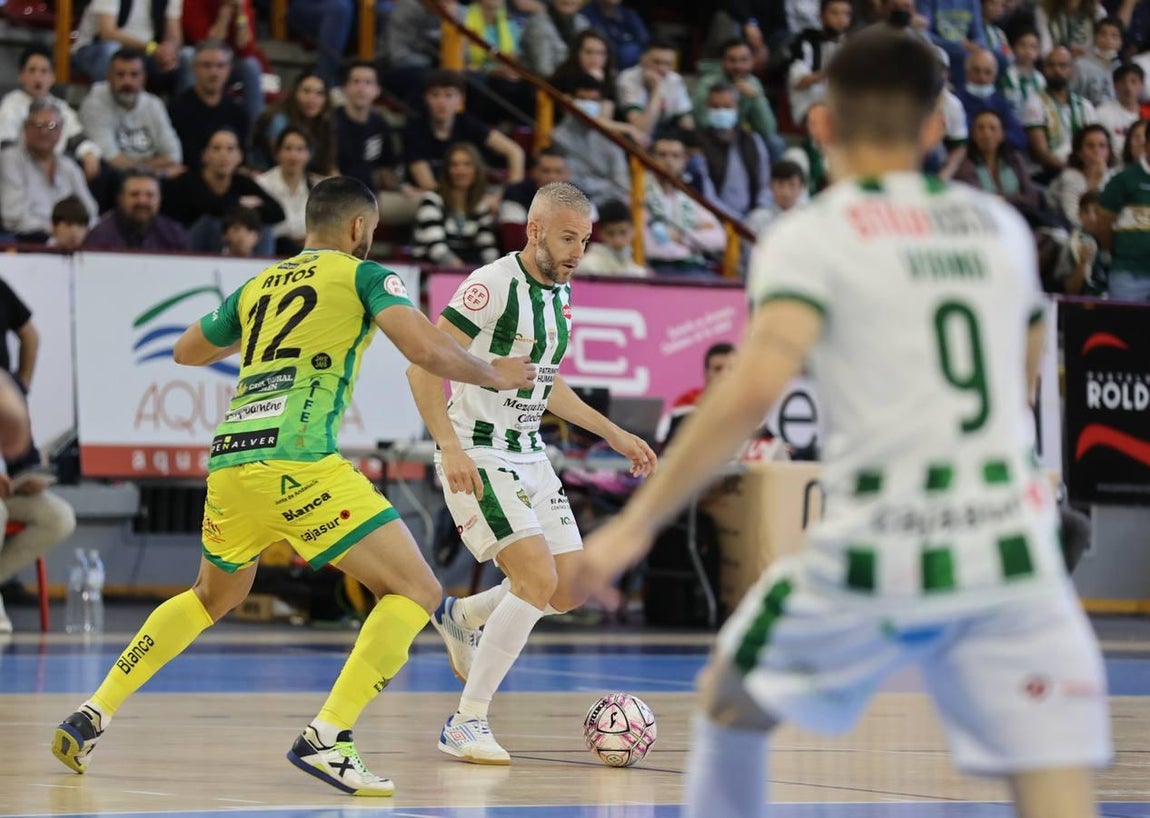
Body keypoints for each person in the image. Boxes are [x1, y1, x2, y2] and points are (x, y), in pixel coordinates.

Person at [579, 29, 1110, 818]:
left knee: (730, 702)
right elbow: (1028, 364)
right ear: (937, 129)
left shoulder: (814, 235)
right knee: (1052, 786)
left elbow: (751, 389)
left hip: (882, 541)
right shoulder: (999, 228)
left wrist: (633, 528)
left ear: (820, 124)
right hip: (1008, 540)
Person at [51, 175, 537, 794]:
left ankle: (93, 711)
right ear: (360, 228)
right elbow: (428, 350)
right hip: (299, 458)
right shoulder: (366, 276)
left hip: (231, 460)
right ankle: (328, 737)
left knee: (210, 596)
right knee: (416, 590)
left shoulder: (261, 284)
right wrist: (495, 373)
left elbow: (185, 350)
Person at [408, 181, 656, 764]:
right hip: (478, 448)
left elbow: (547, 383)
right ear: (535, 230)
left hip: (529, 452)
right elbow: (423, 368)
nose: (577, 251)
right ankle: (466, 721)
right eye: (568, 237)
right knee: (536, 580)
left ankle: (465, 614)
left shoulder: (560, 296)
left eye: (585, 240)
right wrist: (450, 447)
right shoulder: (489, 286)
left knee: (569, 588)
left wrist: (613, 433)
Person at [162, 128, 284, 254]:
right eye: (216, 148)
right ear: (205, 155)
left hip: (236, 244)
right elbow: (210, 207)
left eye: (230, 149)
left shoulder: (241, 182)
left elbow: (277, 213)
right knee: (213, 223)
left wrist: (246, 215)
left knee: (263, 227)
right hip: (184, 244)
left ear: (239, 156)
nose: (224, 155)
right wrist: (239, 203)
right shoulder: (189, 180)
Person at [78, 48, 185, 178]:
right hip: (115, 179)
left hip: (152, 180)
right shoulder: (94, 104)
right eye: (120, 74)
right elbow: (111, 160)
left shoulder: (153, 104)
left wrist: (140, 167)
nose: (127, 81)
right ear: (109, 76)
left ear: (144, 78)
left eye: (134, 75)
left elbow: (174, 156)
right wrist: (159, 171)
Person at [0, 101, 98, 243]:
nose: (44, 132)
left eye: (52, 126)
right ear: (25, 128)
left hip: (72, 240)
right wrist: (57, 231)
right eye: (37, 125)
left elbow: (91, 212)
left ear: (61, 131)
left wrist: (75, 231)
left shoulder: (68, 166)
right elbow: (13, 217)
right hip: (26, 241)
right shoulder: (10, 159)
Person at [0, 46, 102, 182]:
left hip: (58, 167)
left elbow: (78, 138)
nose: (38, 77)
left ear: (52, 77)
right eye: (32, 70)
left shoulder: (61, 107)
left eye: (44, 71)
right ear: (21, 75)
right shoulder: (11, 104)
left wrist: (89, 153)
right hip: (23, 168)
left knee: (101, 170)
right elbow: (6, 145)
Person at [167, 40, 250, 172]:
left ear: (229, 70)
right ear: (194, 68)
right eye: (207, 66)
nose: (214, 73)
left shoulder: (238, 113)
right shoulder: (176, 109)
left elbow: (240, 160)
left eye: (220, 66)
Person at [413, 142, 500, 267]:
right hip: (432, 271)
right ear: (447, 170)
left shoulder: (480, 206)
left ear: (476, 170)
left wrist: (494, 270)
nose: (461, 170)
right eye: (454, 165)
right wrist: (464, 274)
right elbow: (437, 249)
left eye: (467, 165)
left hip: (466, 275)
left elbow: (488, 248)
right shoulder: (431, 201)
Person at [85, 169, 190, 251]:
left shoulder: (173, 233)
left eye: (149, 195)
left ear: (159, 199)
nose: (142, 201)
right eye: (134, 194)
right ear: (120, 198)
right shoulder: (100, 236)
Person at [654, 341, 735, 447]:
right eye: (718, 369)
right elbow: (666, 446)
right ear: (706, 374)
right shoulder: (687, 401)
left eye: (732, 369)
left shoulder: (752, 406)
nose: (725, 375)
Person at [256, 126, 318, 255]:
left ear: (308, 154)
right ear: (277, 153)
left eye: (300, 149)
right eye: (288, 148)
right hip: (273, 252)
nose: (293, 155)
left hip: (308, 252)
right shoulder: (262, 184)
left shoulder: (318, 188)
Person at [576, 198, 648, 276]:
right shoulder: (587, 267)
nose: (617, 240)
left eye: (623, 232)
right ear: (600, 233)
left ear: (633, 230)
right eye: (610, 233)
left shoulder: (638, 272)